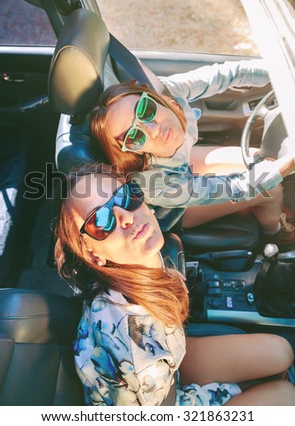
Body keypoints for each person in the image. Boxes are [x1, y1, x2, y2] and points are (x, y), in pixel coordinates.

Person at [54, 163, 295, 406]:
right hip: (161, 396)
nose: (126, 217)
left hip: (172, 359)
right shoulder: (132, 342)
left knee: (282, 353)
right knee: (286, 396)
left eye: (126, 195)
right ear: (94, 256)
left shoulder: (139, 260)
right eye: (101, 220)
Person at [89, 59, 295, 251]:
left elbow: (227, 74)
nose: (153, 130)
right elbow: (234, 188)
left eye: (145, 109)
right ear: (133, 150)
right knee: (271, 190)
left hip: (181, 165)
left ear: (151, 95)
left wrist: (282, 71)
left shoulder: (169, 91)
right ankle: (276, 233)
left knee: (258, 157)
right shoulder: (152, 184)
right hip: (176, 208)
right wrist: (288, 165)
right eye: (134, 136)